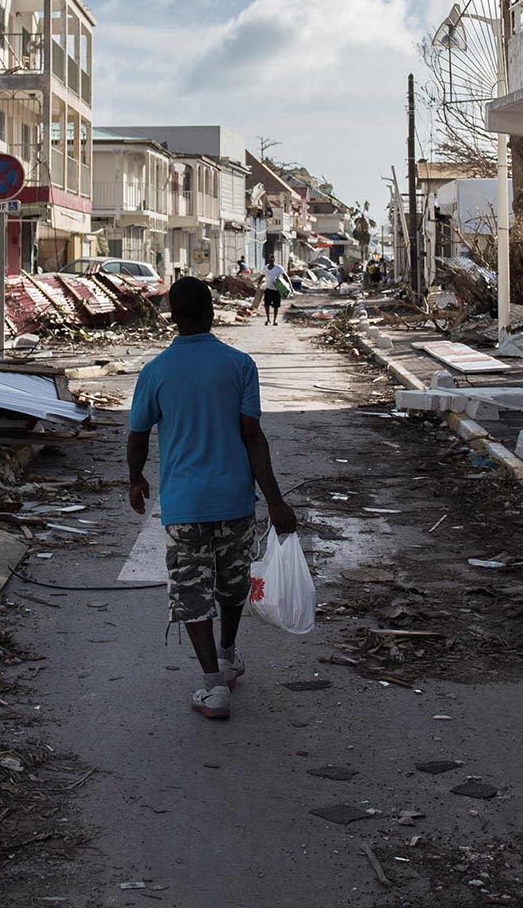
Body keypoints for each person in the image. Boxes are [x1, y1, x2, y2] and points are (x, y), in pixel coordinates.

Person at [127, 278, 298, 721]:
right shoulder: (240, 365)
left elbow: (138, 435)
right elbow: (253, 436)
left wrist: (135, 479)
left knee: (190, 592)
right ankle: (227, 656)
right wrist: (276, 501)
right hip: (235, 500)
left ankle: (212, 686)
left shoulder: (155, 371)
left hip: (184, 504)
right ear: (212, 312)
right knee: (231, 585)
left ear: (172, 315)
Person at [261, 259, 289, 325]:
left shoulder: (278, 268)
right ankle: (268, 319)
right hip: (268, 288)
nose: (271, 261)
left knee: (276, 306)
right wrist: (258, 285)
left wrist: (289, 285)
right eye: (270, 260)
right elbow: (261, 276)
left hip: (276, 290)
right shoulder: (265, 268)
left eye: (272, 260)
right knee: (266, 305)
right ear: (268, 261)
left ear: (274, 260)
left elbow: (285, 276)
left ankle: (274, 320)